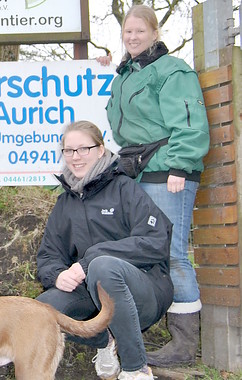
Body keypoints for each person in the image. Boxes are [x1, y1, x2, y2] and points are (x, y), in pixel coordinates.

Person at [101, 4, 210, 367]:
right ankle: (146, 332)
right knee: (146, 252)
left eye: (139, 31)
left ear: (154, 33)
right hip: (137, 171)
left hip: (168, 171)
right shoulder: (125, 75)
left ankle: (184, 345)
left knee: (173, 252)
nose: (132, 37)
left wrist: (181, 164)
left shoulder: (172, 70)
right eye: (127, 32)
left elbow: (189, 119)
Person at [35, 121, 173, 380]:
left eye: (83, 149)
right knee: (41, 309)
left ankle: (136, 368)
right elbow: (48, 256)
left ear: (100, 150)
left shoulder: (125, 188)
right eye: (69, 151)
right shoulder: (65, 202)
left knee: (102, 266)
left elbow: (156, 240)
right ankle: (105, 340)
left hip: (144, 290)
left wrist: (89, 260)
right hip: (92, 295)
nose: (75, 157)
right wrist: (56, 275)